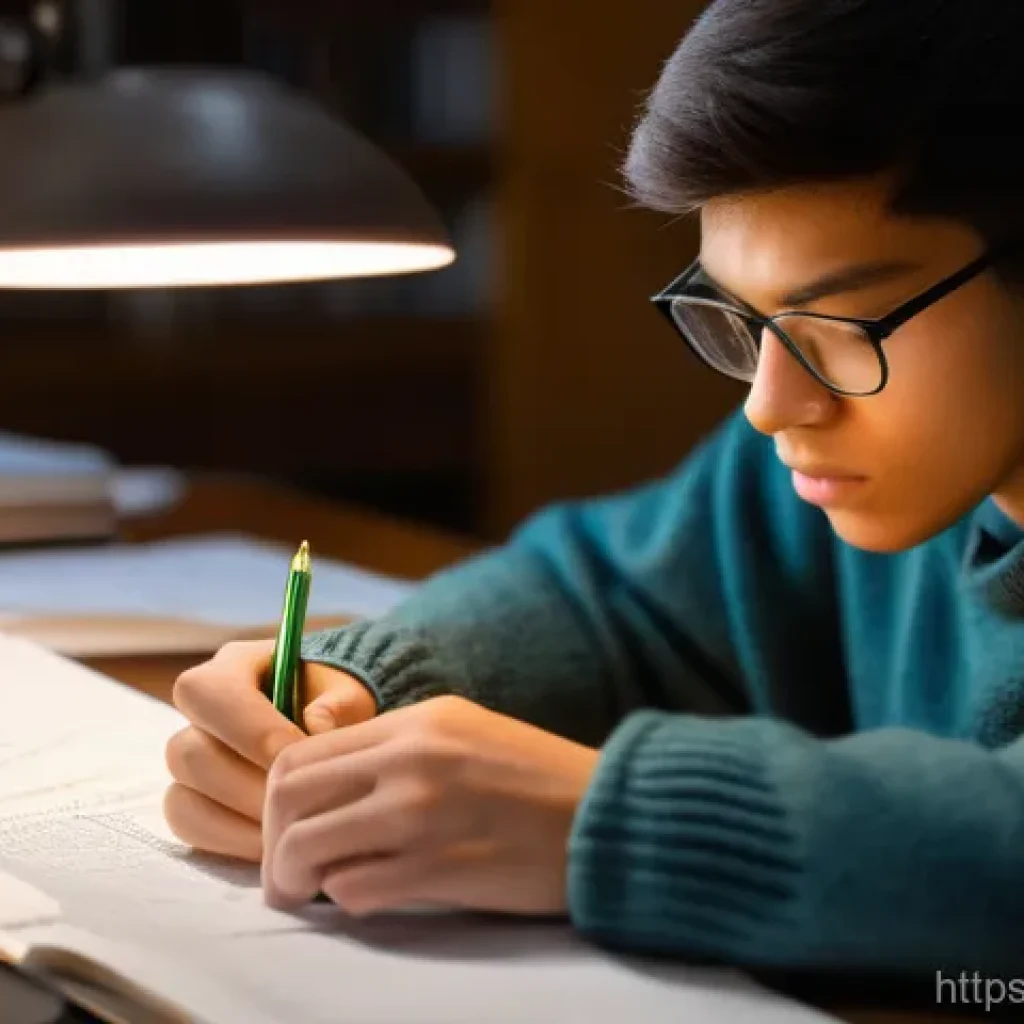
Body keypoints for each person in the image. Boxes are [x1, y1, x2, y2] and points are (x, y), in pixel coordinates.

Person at [162, 0, 1024, 977]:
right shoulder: (826, 461)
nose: (769, 406)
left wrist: (609, 824)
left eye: (843, 324)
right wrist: (365, 689)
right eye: (739, 317)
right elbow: (607, 598)